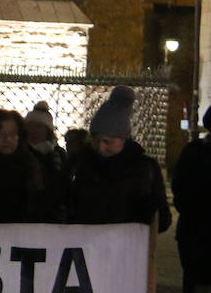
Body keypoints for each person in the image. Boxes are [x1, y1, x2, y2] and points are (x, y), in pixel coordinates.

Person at [68, 86, 171, 232]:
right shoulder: (78, 164)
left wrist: (148, 210)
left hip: (126, 248)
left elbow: (162, 220)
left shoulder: (145, 168)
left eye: (108, 142)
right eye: (96, 141)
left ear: (123, 139)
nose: (101, 147)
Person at [172, 106, 211, 293]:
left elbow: (181, 193)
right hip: (201, 241)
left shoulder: (193, 153)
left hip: (197, 241)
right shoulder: (196, 155)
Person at [23, 101, 69, 180]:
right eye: (29, 126)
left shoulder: (59, 154)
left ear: (48, 130)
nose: (33, 130)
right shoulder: (20, 151)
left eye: (38, 127)